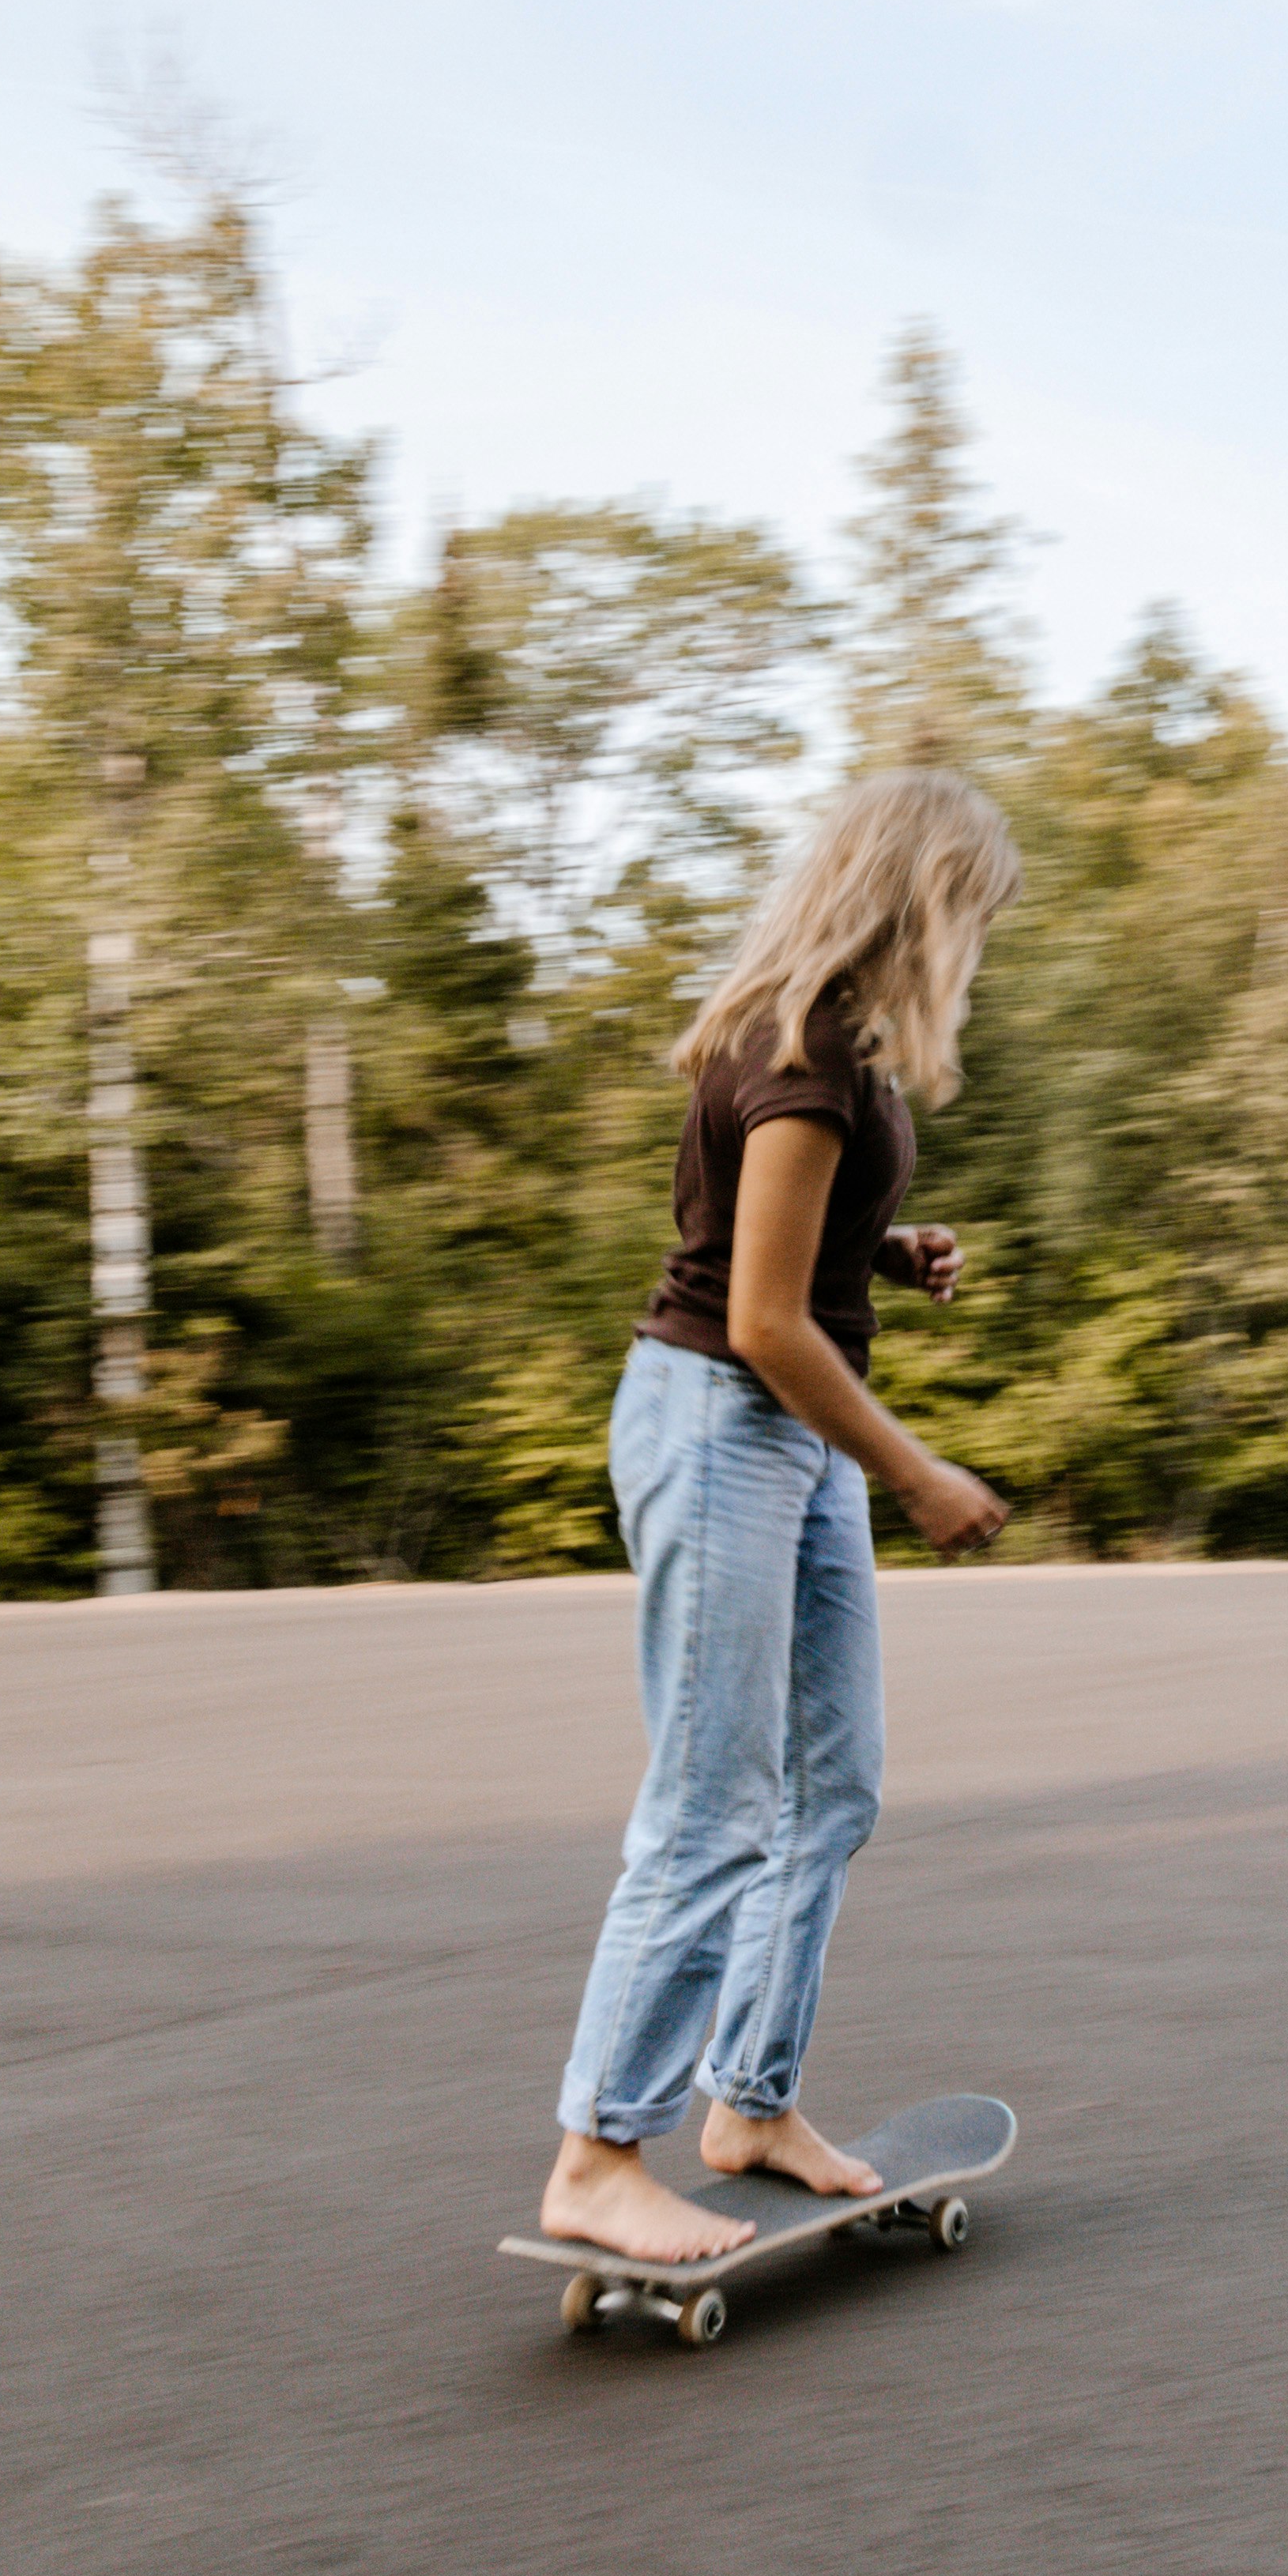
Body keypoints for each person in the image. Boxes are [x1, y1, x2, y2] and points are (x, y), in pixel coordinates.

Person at [537, 766, 1020, 2270]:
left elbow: (790, 1259)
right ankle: (598, 2152)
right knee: (714, 1804)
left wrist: (887, 1253)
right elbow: (756, 1315)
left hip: (786, 1440)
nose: (976, 950)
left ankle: (745, 2102)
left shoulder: (843, 1052)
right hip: (729, 1425)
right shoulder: (807, 1053)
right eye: (974, 917)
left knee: (834, 1789)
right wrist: (917, 1472)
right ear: (921, 901)